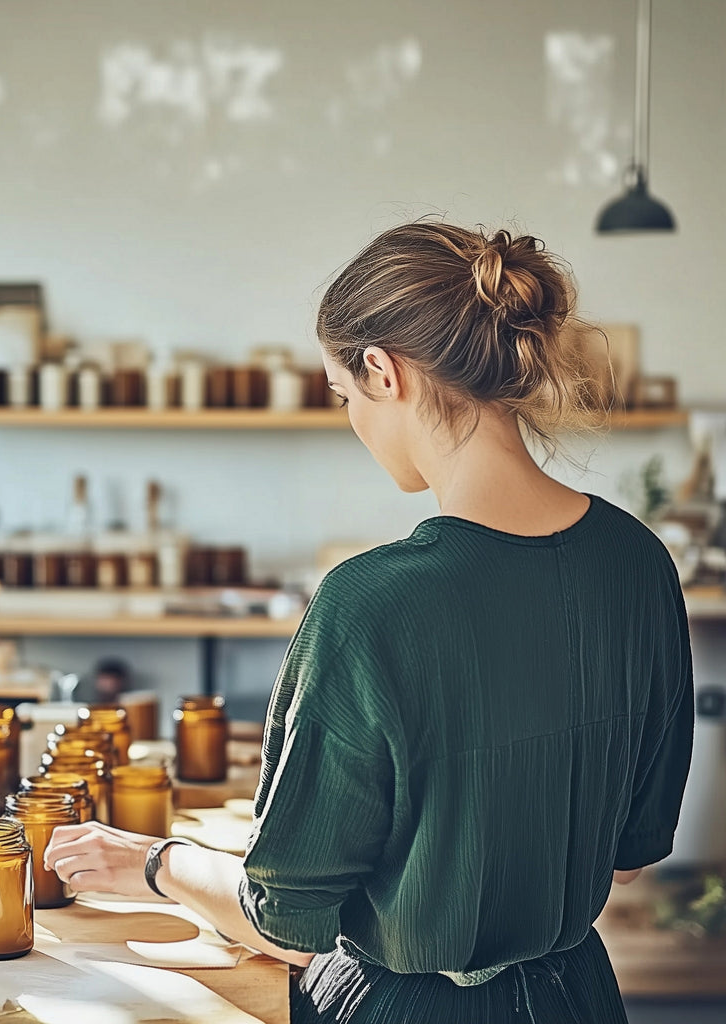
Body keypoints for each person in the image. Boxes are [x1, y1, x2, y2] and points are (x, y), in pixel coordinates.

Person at [45, 222, 694, 1023]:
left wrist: (154, 862)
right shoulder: (638, 562)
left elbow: (286, 925)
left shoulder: (372, 602)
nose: (351, 419)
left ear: (384, 373)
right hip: (581, 998)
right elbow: (625, 862)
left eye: (344, 395)